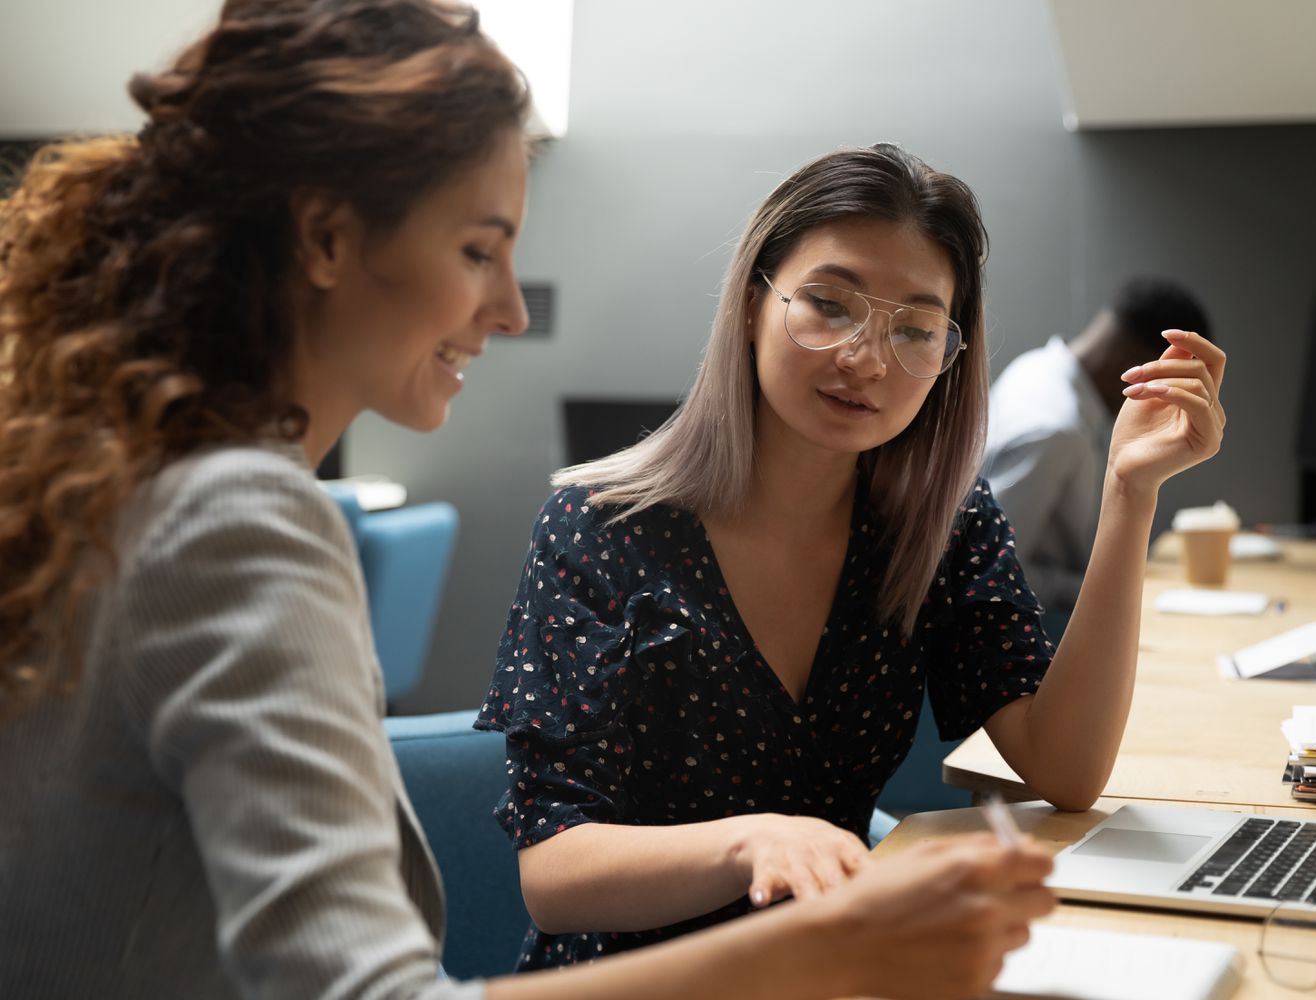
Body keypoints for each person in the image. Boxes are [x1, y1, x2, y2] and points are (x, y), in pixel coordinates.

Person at [0, 3, 1054, 998]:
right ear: (324, 240)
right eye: (477, 249)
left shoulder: (128, 483)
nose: (508, 308)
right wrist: (835, 937)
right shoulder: (237, 523)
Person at [480, 144, 1228, 971]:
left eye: (914, 328)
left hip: (834, 973)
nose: (866, 359)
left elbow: (1066, 768)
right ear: (752, 303)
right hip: (634, 984)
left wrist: (1130, 494)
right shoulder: (600, 527)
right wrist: (755, 842)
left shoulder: (938, 527)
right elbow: (553, 873)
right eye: (830, 306)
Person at [982, 277, 1214, 611]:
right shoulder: (1053, 429)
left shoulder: (1036, 367)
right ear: (1136, 367)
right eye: (1169, 386)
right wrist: (1115, 591)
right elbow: (993, 570)